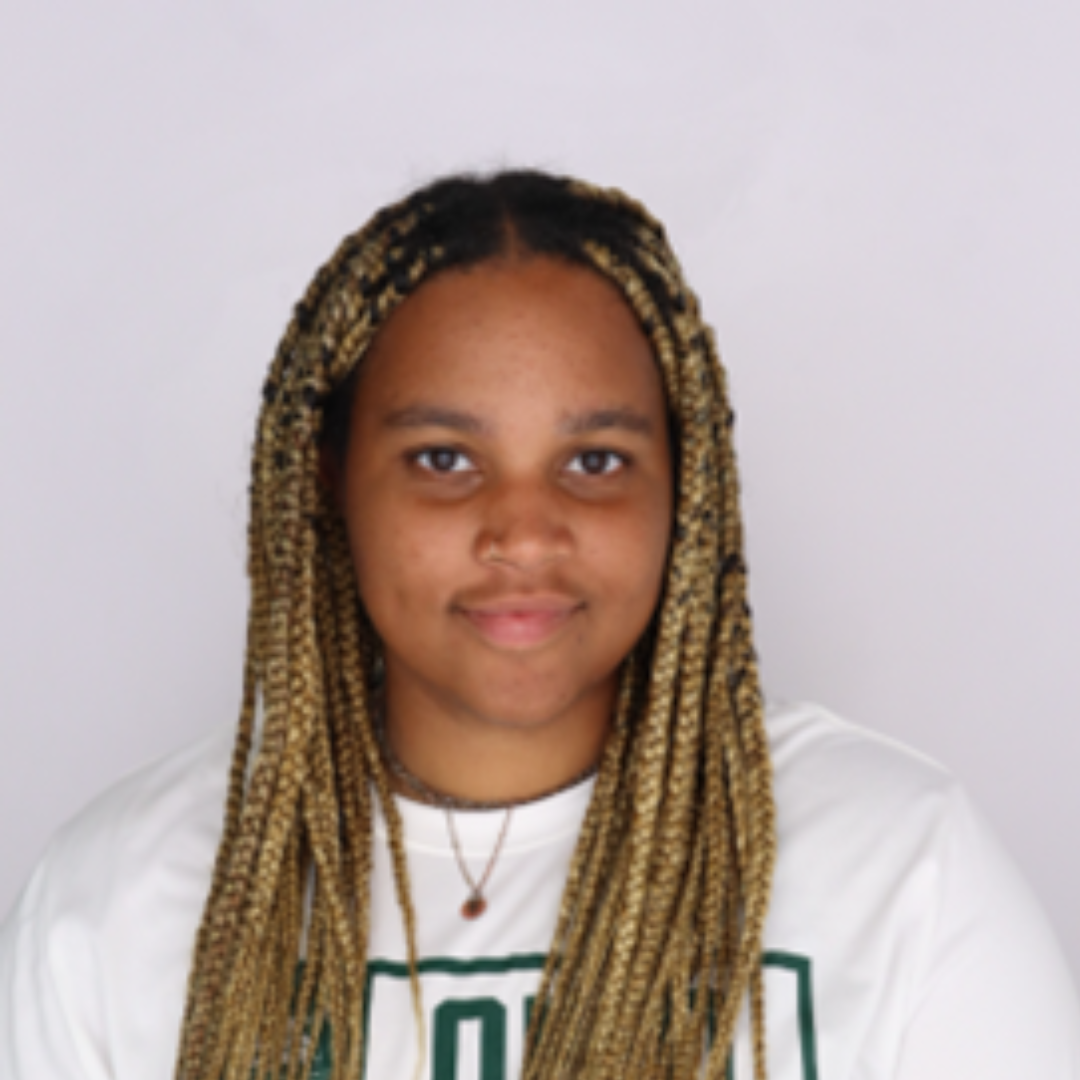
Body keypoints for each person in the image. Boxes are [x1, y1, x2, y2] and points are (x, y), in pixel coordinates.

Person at [1, 170, 1077, 1080]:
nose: (524, 531)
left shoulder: (899, 869)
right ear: (330, 483)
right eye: (444, 460)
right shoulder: (117, 898)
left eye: (595, 462)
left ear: (684, 489)